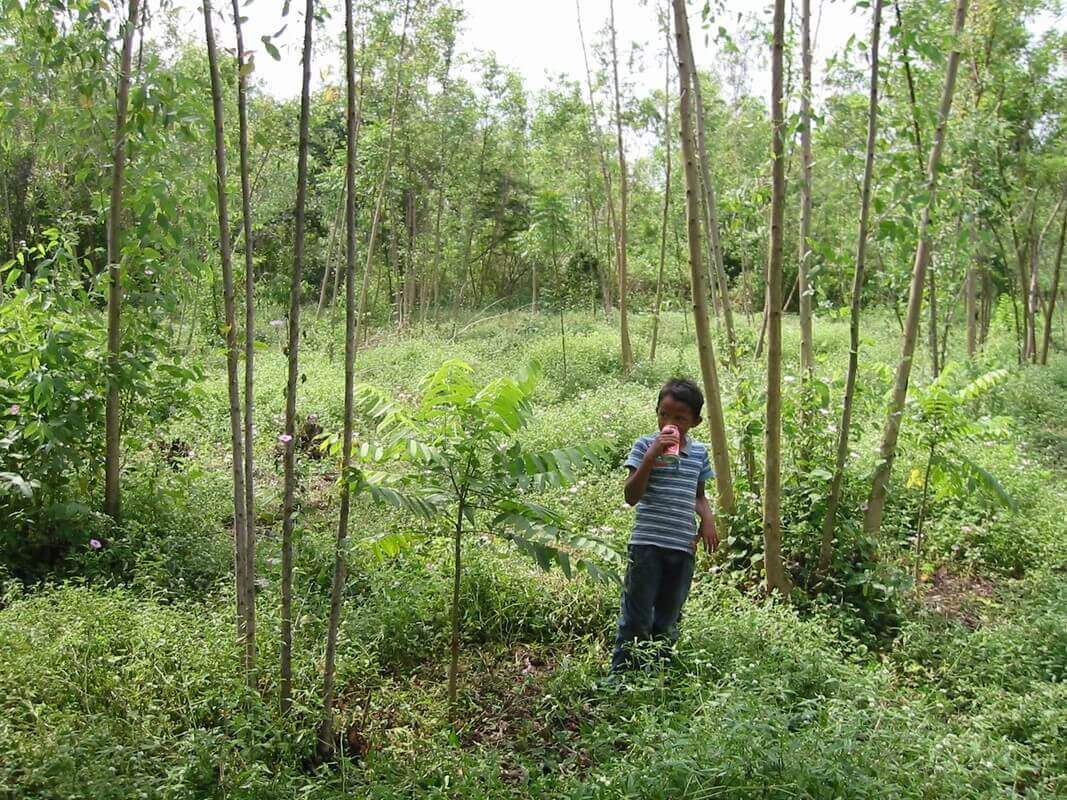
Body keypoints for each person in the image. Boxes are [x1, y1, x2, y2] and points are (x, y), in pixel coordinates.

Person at [611, 377, 717, 673]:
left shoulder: (699, 453)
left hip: (682, 548)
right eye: (664, 415)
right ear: (656, 413)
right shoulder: (645, 445)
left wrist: (707, 520)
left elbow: (699, 496)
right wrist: (650, 456)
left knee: (668, 618)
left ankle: (658, 678)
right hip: (647, 546)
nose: (670, 423)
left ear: (695, 421)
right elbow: (631, 495)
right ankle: (621, 677)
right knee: (636, 616)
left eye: (680, 418)